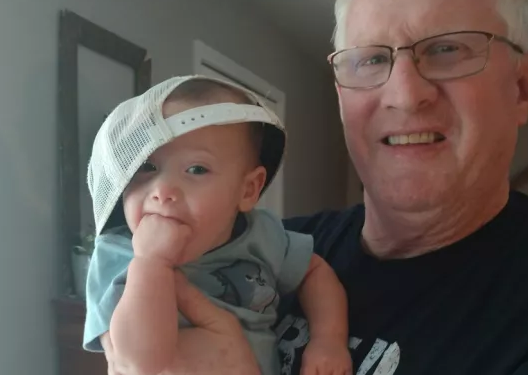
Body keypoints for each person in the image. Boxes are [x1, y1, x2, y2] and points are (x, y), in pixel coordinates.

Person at [101, 0, 528, 374]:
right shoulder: (269, 243)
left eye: (447, 48)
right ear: (342, 93)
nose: (404, 94)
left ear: (523, 85)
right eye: (372, 58)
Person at [82, 75, 352, 375]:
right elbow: (140, 362)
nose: (163, 189)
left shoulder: (262, 234)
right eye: (147, 166)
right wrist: (150, 263)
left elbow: (315, 272)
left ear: (248, 190)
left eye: (196, 169)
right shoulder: (118, 253)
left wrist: (329, 338)